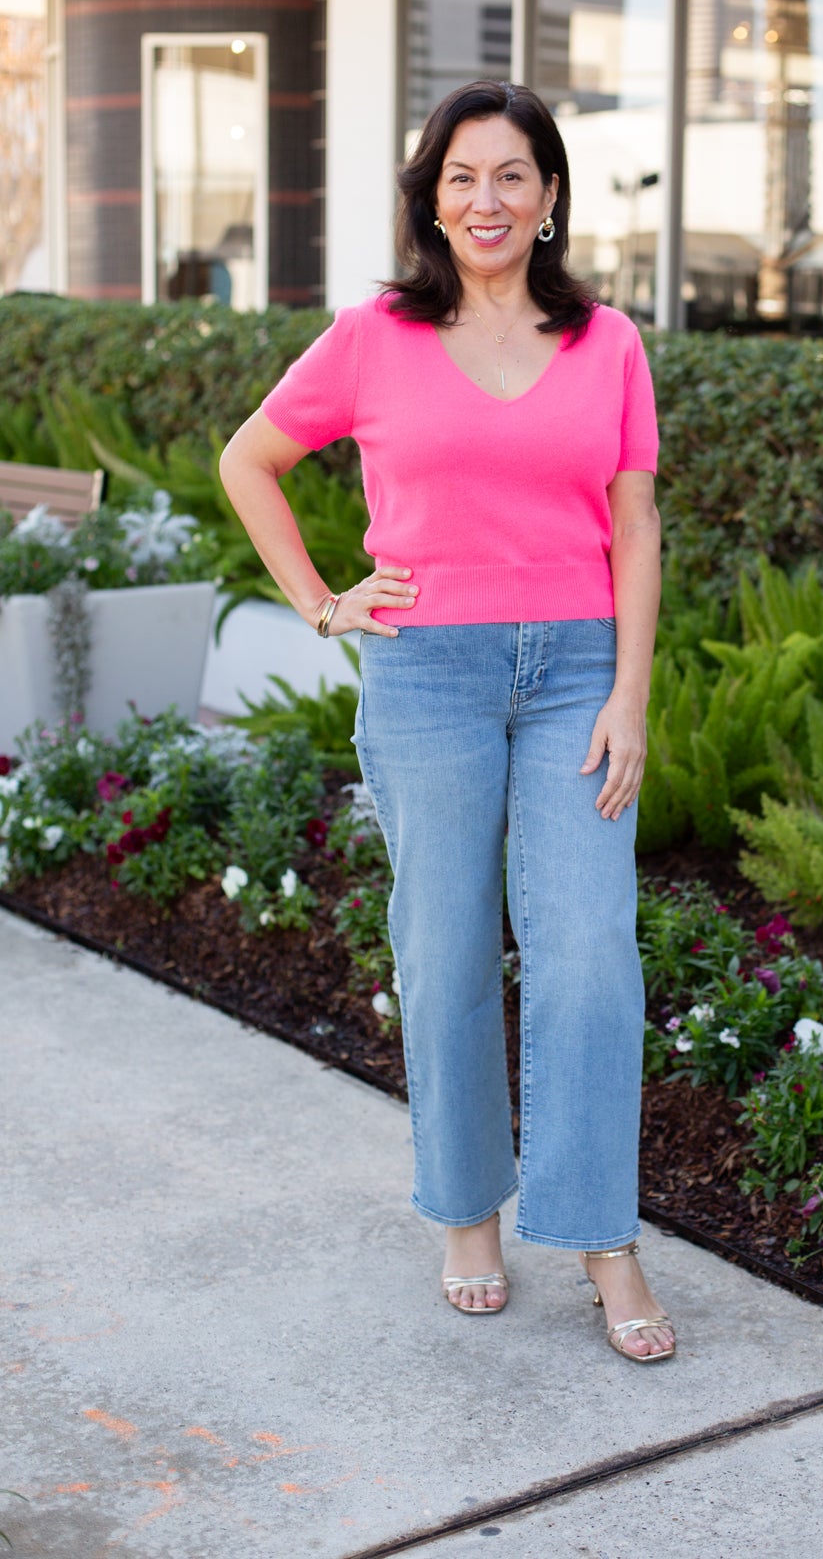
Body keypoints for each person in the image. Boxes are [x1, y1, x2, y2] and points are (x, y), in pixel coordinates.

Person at [218, 80, 675, 1364]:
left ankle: (601, 1236)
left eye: (513, 175)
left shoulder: (611, 344)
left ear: (548, 200)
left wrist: (632, 693)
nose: (487, 198)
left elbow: (634, 526)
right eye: (462, 176)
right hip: (427, 674)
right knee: (448, 947)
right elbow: (248, 458)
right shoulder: (373, 337)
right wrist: (322, 604)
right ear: (431, 196)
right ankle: (467, 1212)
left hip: (579, 671)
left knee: (590, 958)